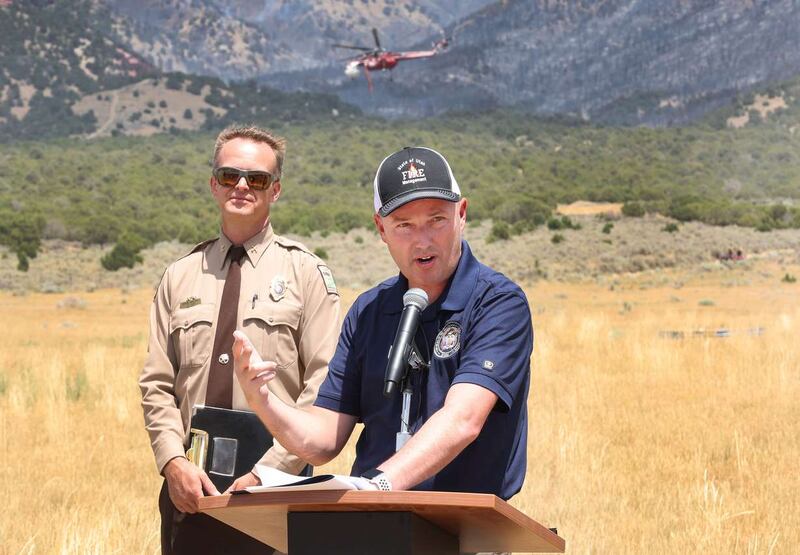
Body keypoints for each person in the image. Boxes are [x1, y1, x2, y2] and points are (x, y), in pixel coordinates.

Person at [234, 146, 532, 500]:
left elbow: (462, 420)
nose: (423, 240)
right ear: (381, 229)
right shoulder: (368, 311)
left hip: (466, 528)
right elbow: (324, 439)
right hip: (375, 526)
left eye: (436, 219)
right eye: (404, 225)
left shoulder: (498, 302)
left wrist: (378, 486)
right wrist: (264, 401)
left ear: (462, 214)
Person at [140, 125, 341, 554]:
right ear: (214, 184)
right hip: (189, 492)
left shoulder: (306, 275)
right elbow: (157, 383)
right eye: (230, 176)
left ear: (276, 190)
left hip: (277, 492)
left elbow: (324, 389)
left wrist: (270, 473)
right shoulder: (180, 276)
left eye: (258, 179)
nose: (243, 186)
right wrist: (172, 462)